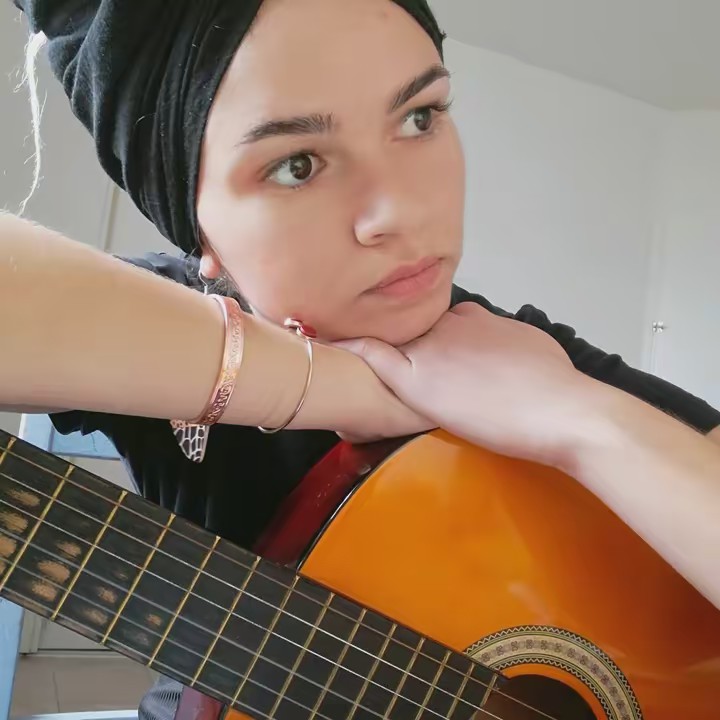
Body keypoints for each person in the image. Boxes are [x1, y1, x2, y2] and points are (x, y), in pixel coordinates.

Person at [3, 0, 720, 716]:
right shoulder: (163, 313)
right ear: (200, 231)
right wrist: (340, 388)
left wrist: (581, 420)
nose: (400, 212)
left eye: (419, 118)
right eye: (297, 165)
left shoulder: (509, 350)